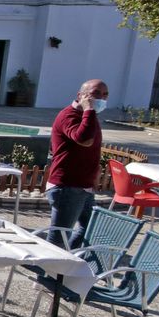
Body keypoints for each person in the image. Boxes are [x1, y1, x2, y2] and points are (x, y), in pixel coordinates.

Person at [47, 79, 108, 248]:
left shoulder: (89, 116)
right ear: (80, 95)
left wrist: (94, 172)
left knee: (89, 229)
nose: (101, 98)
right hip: (68, 187)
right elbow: (85, 140)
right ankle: (48, 273)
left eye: (105, 94)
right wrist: (88, 109)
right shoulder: (70, 115)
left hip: (83, 186)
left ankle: (67, 262)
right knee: (58, 238)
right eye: (96, 93)